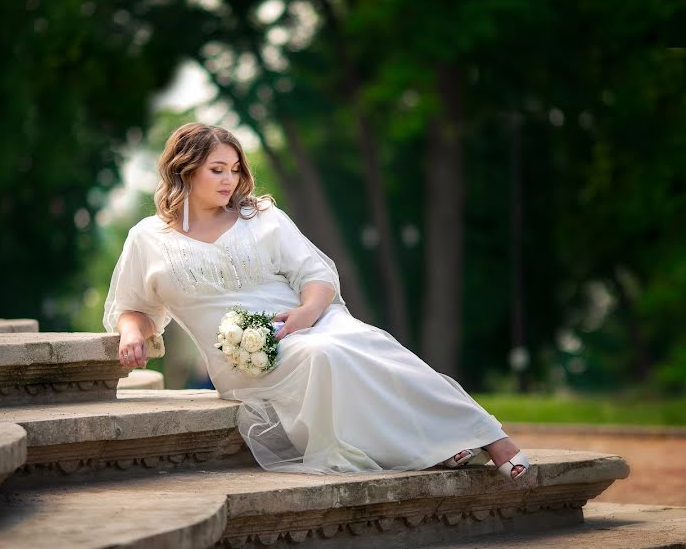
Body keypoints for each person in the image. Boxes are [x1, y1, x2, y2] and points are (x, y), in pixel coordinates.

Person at [104, 122, 530, 478]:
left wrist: (308, 313)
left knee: (369, 343)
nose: (229, 179)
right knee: (323, 355)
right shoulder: (148, 237)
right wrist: (130, 333)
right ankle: (431, 445)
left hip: (307, 321)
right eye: (217, 169)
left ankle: (485, 434)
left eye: (234, 169)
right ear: (186, 170)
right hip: (244, 360)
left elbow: (316, 276)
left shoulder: (261, 217)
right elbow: (134, 305)